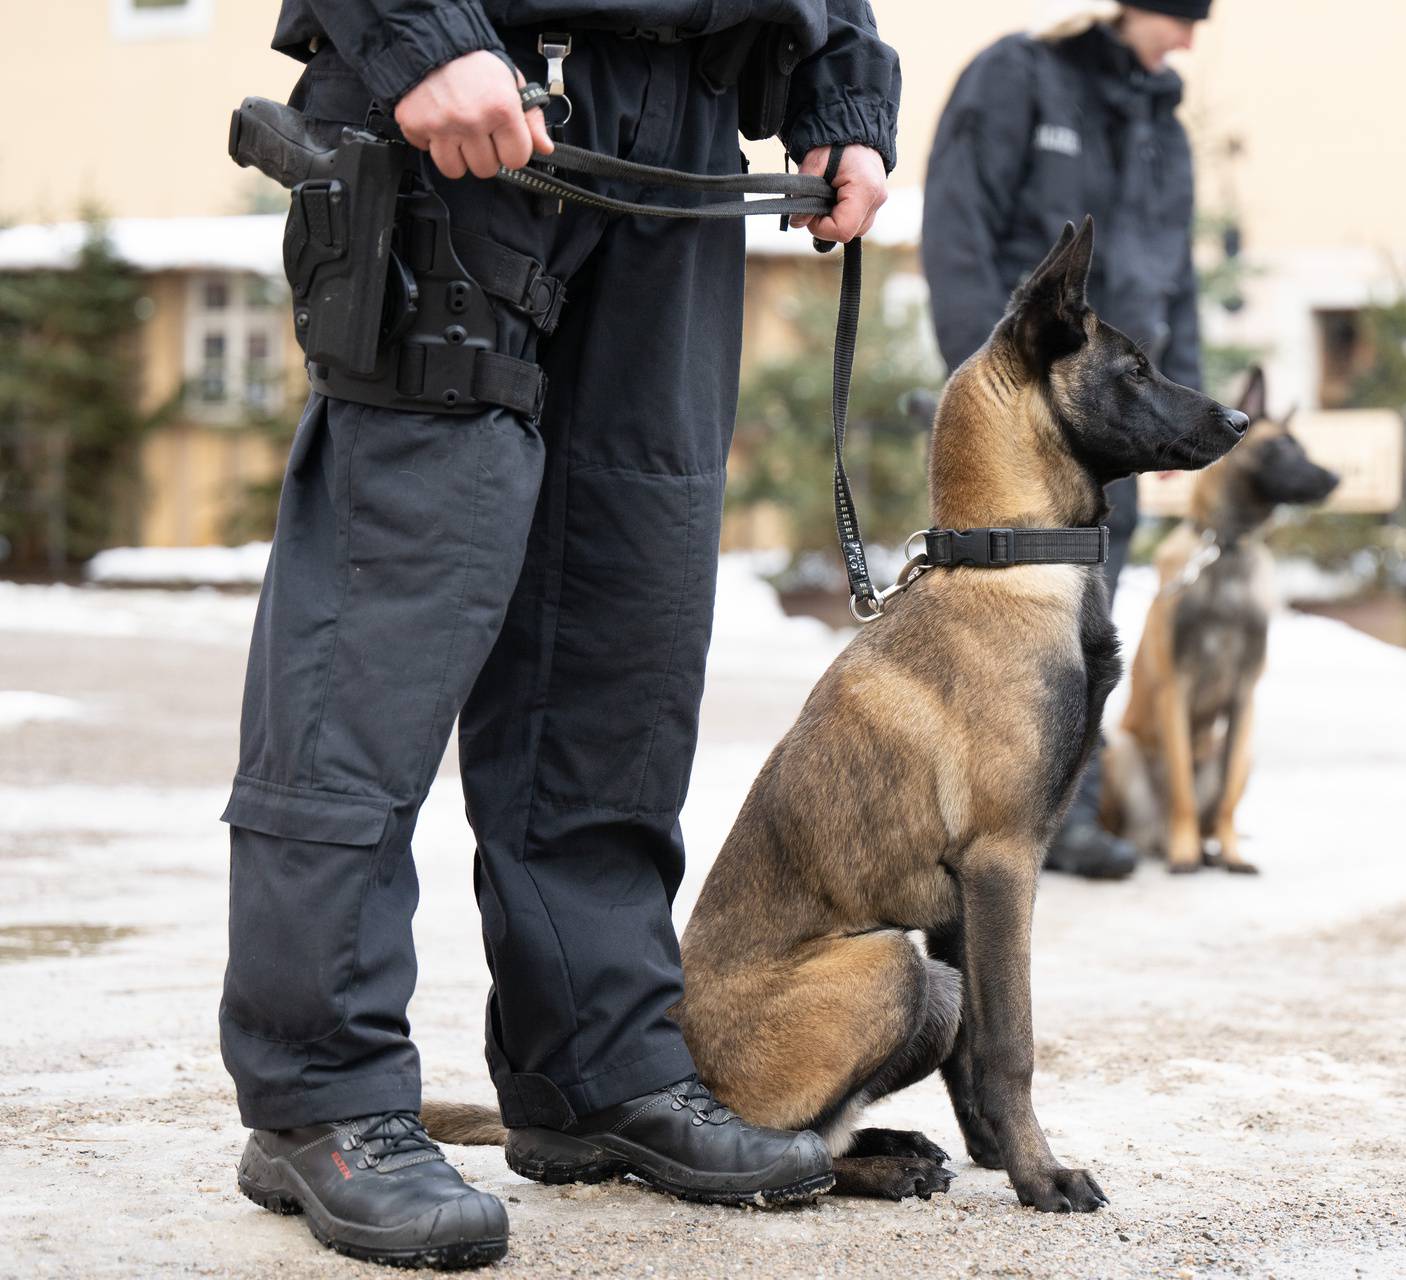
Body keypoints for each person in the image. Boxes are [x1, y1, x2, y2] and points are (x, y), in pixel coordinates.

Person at [221, 1, 898, 1267]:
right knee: (387, 615)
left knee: (621, 620)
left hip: (685, 130)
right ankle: (320, 1086)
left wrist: (842, 91)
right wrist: (417, 36)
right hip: (468, 96)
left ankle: (600, 1066)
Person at [922, 1, 1211, 881]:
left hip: (1118, 417)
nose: (1192, 38)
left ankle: (1057, 817)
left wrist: (1182, 423)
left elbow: (1179, 279)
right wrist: (994, 389)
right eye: (1181, 15)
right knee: (989, 618)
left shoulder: (1168, 130)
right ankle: (958, 817)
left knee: (1089, 619)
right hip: (1023, 410)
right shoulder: (1018, 77)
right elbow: (956, 228)